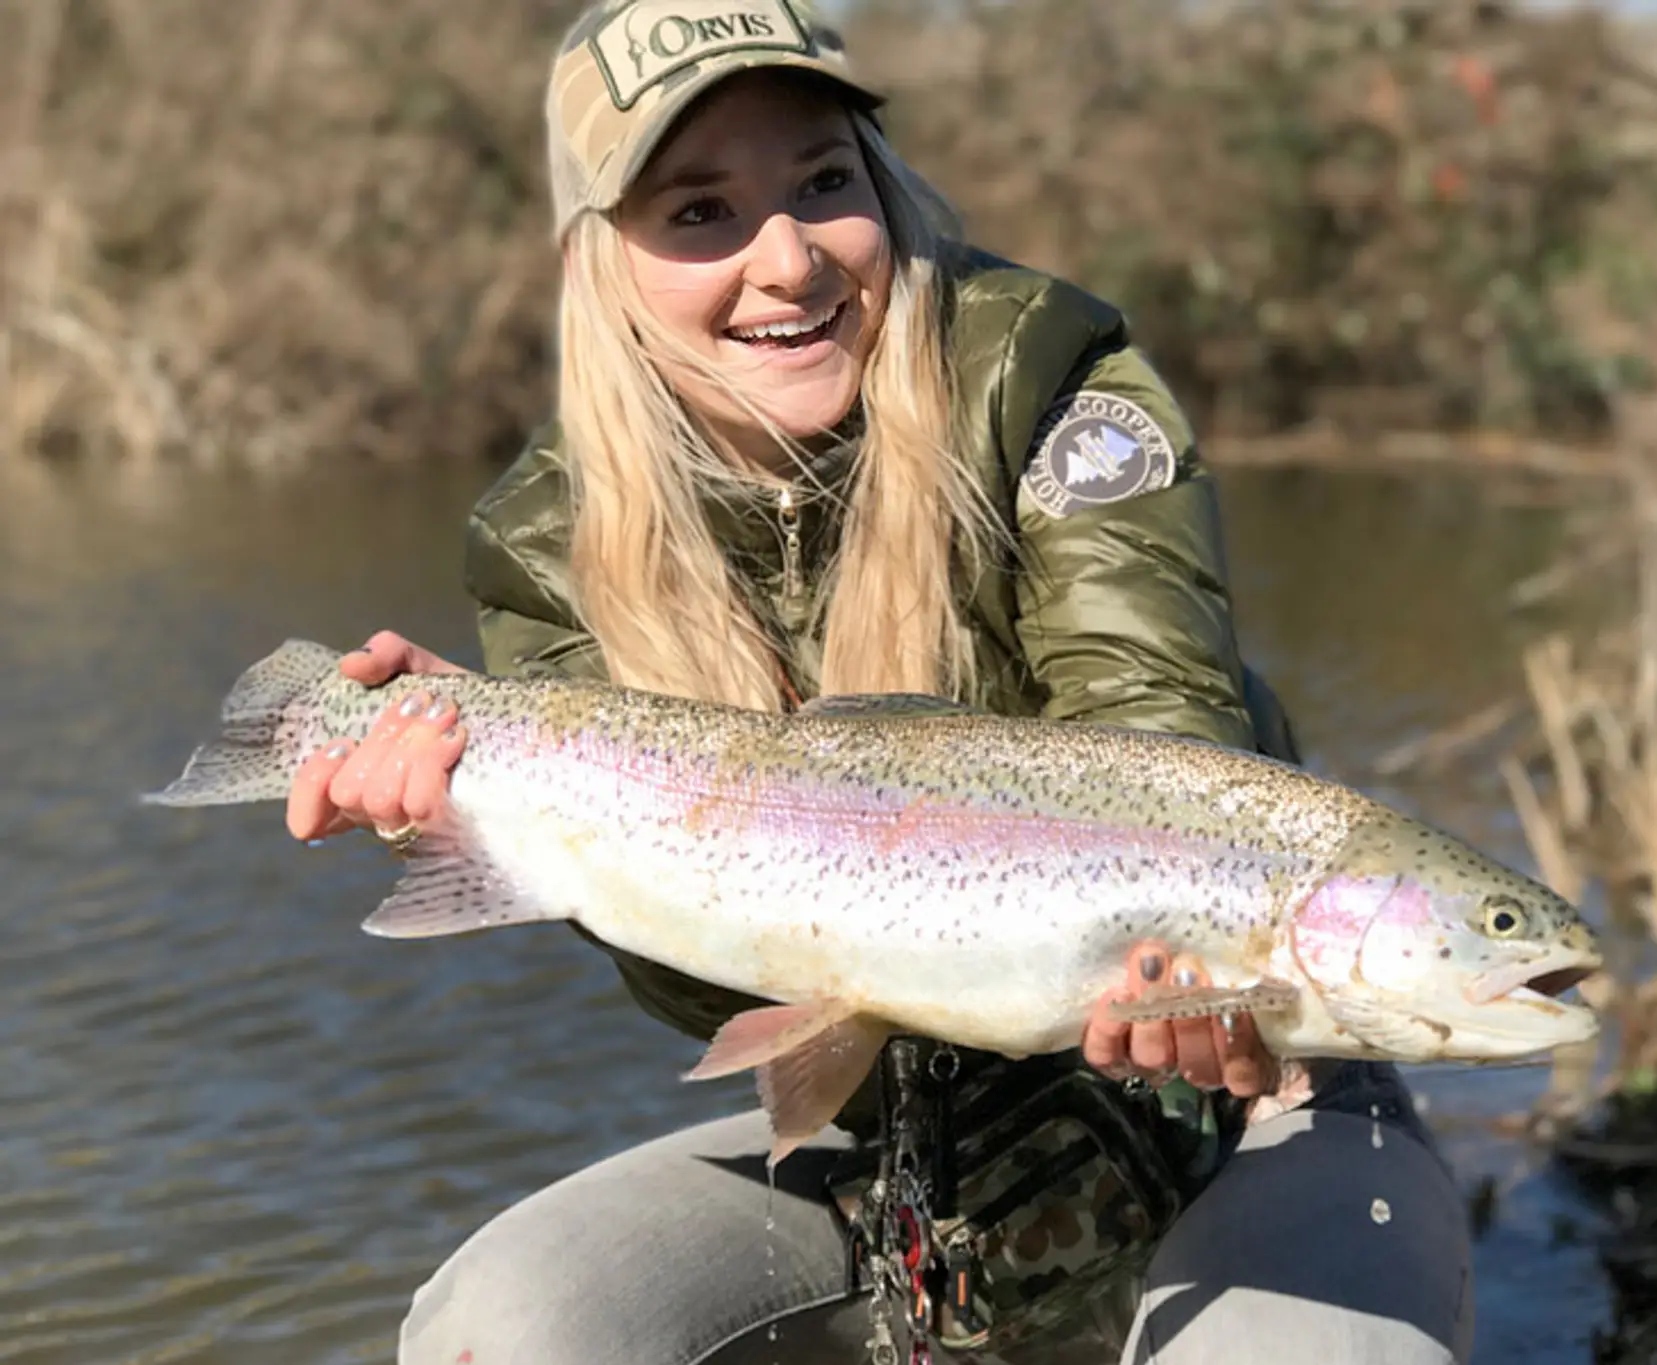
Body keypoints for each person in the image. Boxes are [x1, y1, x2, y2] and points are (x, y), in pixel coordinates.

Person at [285, 2, 1475, 1361]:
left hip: (1255, 1112)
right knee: (503, 1326)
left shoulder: (1051, 385)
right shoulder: (546, 534)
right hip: (898, 1158)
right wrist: (471, 797)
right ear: (599, 259)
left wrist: (1200, 965)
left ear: (880, 182)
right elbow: (713, 991)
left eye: (821, 183)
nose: (786, 261)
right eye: (698, 213)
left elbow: (1162, 743)